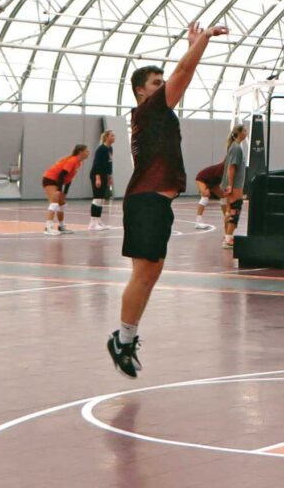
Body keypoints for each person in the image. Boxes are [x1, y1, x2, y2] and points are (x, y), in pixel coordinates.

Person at [107, 20, 225, 378]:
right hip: (145, 200)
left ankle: (127, 335)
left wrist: (191, 43)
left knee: (151, 273)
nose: (164, 86)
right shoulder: (151, 110)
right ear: (142, 92)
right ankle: (122, 341)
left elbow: (179, 73)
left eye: (162, 82)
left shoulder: (156, 114)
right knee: (143, 275)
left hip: (156, 202)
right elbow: (184, 71)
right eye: (156, 83)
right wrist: (202, 40)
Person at [38, 143, 89, 235]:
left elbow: (69, 179)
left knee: (62, 205)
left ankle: (61, 226)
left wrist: (65, 192)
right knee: (54, 202)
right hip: (50, 179)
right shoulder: (72, 161)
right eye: (86, 151)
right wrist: (59, 191)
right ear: (80, 152)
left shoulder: (78, 163)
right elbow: (62, 175)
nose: (88, 153)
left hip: (57, 181)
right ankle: (48, 228)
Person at [219, 122, 251, 246]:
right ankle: (228, 239)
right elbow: (231, 168)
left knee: (229, 210)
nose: (246, 133)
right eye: (244, 131)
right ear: (238, 133)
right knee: (235, 209)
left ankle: (227, 235)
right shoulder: (236, 148)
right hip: (235, 184)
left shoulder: (235, 147)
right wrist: (230, 185)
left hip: (234, 184)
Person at [88, 130, 117, 231]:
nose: (114, 137)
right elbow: (97, 164)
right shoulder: (101, 149)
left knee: (102, 199)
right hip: (97, 174)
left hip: (104, 175)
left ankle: (98, 221)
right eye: (112, 136)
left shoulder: (110, 149)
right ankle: (92, 223)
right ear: (106, 137)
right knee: (97, 198)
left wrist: (109, 178)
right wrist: (97, 178)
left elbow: (109, 164)